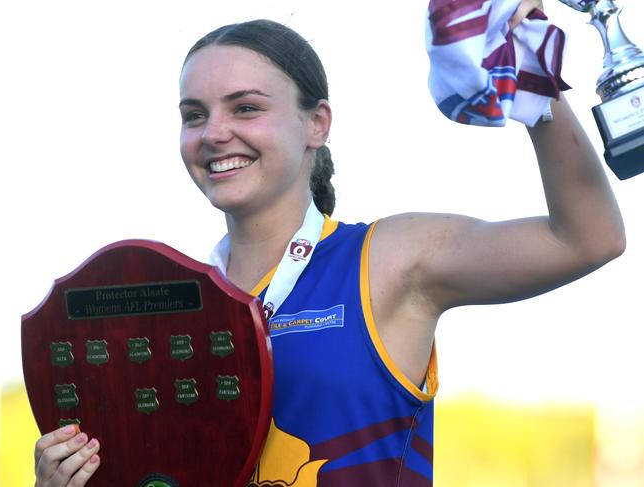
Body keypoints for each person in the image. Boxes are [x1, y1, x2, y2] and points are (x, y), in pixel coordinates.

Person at [33, 2, 626, 486]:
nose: (214, 133)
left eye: (245, 108)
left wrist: (536, 91)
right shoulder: (165, 306)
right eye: (194, 114)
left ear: (317, 123)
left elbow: (587, 239)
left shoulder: (388, 261)